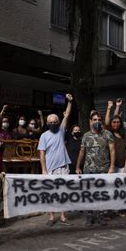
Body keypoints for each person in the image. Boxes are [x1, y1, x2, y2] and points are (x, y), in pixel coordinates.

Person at [38, 94, 73, 226]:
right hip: (50, 169)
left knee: (63, 192)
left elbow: (67, 115)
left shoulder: (61, 130)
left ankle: (63, 216)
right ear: (47, 124)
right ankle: (52, 217)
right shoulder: (44, 136)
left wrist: (69, 102)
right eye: (50, 122)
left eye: (55, 122)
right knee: (51, 193)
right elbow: (42, 154)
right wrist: (44, 170)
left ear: (58, 122)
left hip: (63, 166)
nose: (53, 124)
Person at [76, 112, 115, 226]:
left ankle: (101, 215)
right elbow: (82, 152)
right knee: (89, 193)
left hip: (104, 168)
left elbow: (112, 151)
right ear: (90, 121)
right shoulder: (86, 136)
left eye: (99, 119)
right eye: (94, 119)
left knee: (102, 193)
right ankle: (90, 216)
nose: (97, 121)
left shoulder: (108, 134)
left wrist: (112, 167)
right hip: (89, 169)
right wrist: (78, 166)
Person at [105, 100, 126, 173]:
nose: (116, 124)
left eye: (118, 122)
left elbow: (116, 117)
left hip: (122, 167)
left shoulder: (123, 134)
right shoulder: (109, 133)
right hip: (112, 167)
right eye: (114, 122)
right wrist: (109, 108)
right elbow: (107, 122)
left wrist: (118, 106)